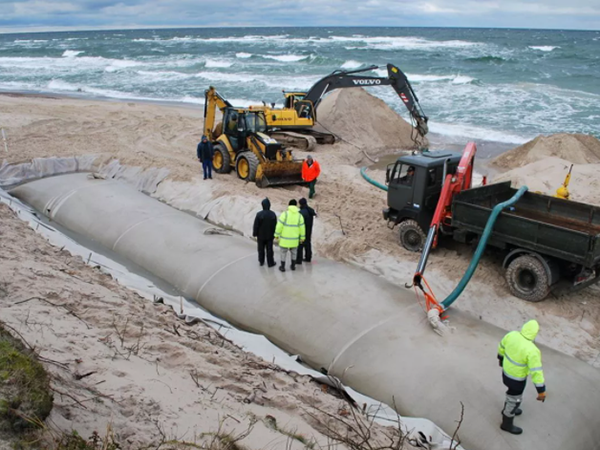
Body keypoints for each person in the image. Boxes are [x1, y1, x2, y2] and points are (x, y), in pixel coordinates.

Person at [497, 320, 546, 435]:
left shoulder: (512, 335)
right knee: (514, 399)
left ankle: (507, 408)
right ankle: (506, 424)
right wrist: (541, 391)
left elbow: (501, 346)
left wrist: (501, 359)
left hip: (506, 374)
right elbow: (536, 372)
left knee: (510, 393)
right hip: (517, 380)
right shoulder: (532, 350)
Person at [274, 199, 305, 272]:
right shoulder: (300, 216)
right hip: (294, 240)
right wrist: (302, 238)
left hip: (284, 239)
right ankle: (293, 266)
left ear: (289, 205)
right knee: (294, 253)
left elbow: (279, 226)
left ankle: (282, 267)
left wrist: (276, 235)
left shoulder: (284, 214)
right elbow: (302, 228)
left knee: (283, 253)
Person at [252, 198, 277, 268]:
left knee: (260, 249)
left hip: (261, 235)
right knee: (269, 249)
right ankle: (270, 262)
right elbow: (275, 225)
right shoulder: (272, 214)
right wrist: (275, 233)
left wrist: (255, 233)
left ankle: (261, 261)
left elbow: (256, 225)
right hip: (270, 235)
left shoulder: (259, 214)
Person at [296, 198, 317, 264]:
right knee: (308, 243)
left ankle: (299, 259)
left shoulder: (301, 212)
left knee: (300, 244)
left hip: (302, 230)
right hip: (309, 229)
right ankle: (308, 257)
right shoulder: (310, 210)